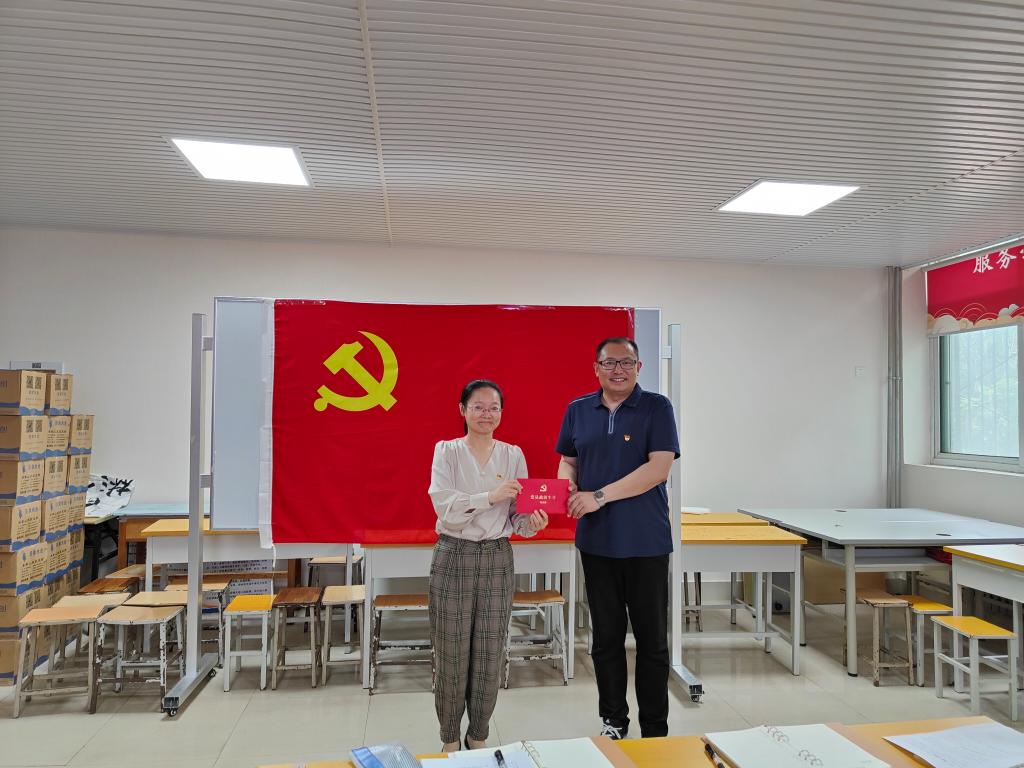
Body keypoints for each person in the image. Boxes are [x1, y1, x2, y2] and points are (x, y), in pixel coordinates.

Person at [555, 337, 679, 740]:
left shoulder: (657, 407)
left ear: (639, 367)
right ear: (596, 368)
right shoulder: (578, 409)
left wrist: (598, 496)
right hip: (597, 543)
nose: (618, 370)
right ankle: (613, 721)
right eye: (609, 363)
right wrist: (567, 487)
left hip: (646, 542)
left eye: (627, 362)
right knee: (605, 639)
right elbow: (568, 461)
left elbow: (658, 469)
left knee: (651, 642)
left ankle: (654, 730)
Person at [428, 379, 549, 752]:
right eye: (478, 407)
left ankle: (477, 734)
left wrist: (533, 522)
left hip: (497, 556)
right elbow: (445, 508)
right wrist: (489, 496)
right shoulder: (447, 451)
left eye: (494, 407)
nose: (486, 414)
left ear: (501, 413)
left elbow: (517, 516)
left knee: (489, 652)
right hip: (454, 554)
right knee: (450, 652)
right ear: (462, 410)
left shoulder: (512, 454)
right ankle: (450, 737)